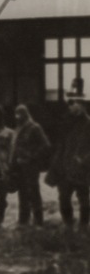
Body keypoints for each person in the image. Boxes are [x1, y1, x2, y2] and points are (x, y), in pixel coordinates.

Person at [49, 89, 90, 230]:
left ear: (81, 104)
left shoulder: (88, 124)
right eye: (69, 103)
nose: (70, 106)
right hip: (65, 167)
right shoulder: (66, 122)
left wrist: (84, 160)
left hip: (81, 168)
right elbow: (60, 145)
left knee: (84, 199)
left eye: (73, 103)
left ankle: (84, 225)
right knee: (64, 197)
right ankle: (68, 223)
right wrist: (56, 164)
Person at [9, 104, 50, 226]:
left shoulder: (34, 127)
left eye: (20, 114)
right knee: (22, 193)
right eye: (16, 114)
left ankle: (38, 221)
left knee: (33, 192)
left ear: (25, 114)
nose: (17, 116)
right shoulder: (17, 128)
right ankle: (23, 220)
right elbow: (14, 147)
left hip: (31, 167)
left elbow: (45, 145)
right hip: (19, 166)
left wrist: (31, 156)